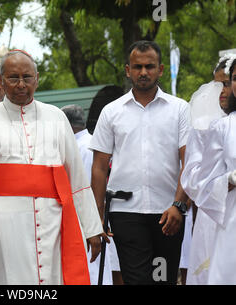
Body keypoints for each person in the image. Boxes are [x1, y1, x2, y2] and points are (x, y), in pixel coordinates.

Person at [0, 50, 104, 285]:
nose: (21, 84)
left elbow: (77, 179)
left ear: (37, 79)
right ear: (0, 80)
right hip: (5, 225)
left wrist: (92, 227)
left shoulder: (56, 118)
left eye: (27, 77)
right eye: (13, 78)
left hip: (53, 223)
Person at [90, 40, 191, 285]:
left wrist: (179, 205)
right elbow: (99, 168)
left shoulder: (179, 109)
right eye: (137, 67)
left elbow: (189, 163)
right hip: (126, 214)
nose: (143, 72)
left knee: (163, 280)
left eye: (149, 66)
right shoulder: (112, 111)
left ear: (161, 69)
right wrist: (96, 217)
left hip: (168, 214)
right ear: (127, 70)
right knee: (136, 280)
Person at [180, 55, 232, 285]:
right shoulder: (203, 126)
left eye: (228, 84)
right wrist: (225, 180)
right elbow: (192, 177)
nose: (222, 90)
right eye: (217, 84)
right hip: (215, 214)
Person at [61, 104, 113, 285]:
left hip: (83, 215)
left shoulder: (72, 148)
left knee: (90, 266)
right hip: (97, 213)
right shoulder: (94, 144)